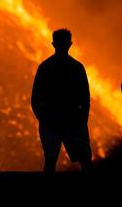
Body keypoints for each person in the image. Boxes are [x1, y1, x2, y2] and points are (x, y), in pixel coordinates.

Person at [31, 29, 92, 173]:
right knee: (85, 161)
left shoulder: (45, 67)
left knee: (50, 161)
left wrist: (43, 117)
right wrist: (82, 117)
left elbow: (35, 98)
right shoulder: (77, 67)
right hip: (73, 120)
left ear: (53, 44)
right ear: (70, 44)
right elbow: (85, 96)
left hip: (52, 121)